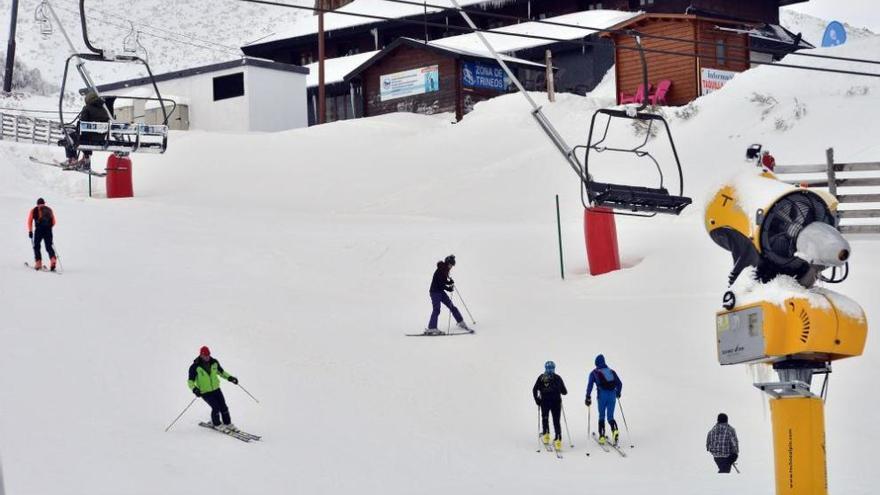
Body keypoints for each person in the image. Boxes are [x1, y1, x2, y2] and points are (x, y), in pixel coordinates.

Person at [187, 346, 239, 431]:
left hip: (216, 389)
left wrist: (230, 378)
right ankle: (217, 424)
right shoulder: (195, 366)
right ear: (201, 355)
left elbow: (221, 372)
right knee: (216, 407)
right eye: (205, 355)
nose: (207, 357)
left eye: (208, 355)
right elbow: (190, 381)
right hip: (205, 392)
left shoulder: (214, 362)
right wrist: (195, 389)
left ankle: (227, 423)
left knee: (223, 406)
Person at [63, 89, 112, 170]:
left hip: (88, 138)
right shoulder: (104, 110)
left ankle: (72, 159)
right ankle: (86, 160)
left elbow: (83, 123)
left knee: (69, 137)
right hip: (100, 138)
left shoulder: (87, 108)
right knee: (86, 137)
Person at [425, 254, 469, 335]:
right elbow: (440, 283)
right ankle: (432, 328)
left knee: (452, 306)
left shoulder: (445, 270)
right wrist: (448, 288)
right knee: (436, 309)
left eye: (452, 265)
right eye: (451, 265)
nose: (451, 267)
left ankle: (460, 321)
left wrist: (449, 282)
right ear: (447, 263)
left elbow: (443, 281)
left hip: (440, 292)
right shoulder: (440, 270)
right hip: (435, 292)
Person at [585, 354, 623, 445]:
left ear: (596, 363)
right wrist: (618, 393)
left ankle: (602, 436)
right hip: (612, 395)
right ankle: (615, 431)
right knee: (610, 416)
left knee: (602, 415)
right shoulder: (611, 371)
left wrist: (588, 396)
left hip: (602, 396)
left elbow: (590, 385)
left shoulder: (594, 372)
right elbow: (620, 383)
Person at [532, 360, 568, 451]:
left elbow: (534, 389)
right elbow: (565, 392)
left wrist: (537, 400)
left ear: (545, 368)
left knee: (545, 417)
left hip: (544, 402)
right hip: (556, 402)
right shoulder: (558, 378)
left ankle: (546, 435)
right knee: (556, 420)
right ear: (554, 368)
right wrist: (558, 390)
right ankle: (558, 439)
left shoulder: (541, 377)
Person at [26, 198, 57, 271]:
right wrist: (49, 228)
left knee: (36, 246)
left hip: (39, 230)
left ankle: (38, 262)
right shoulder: (49, 209)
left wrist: (30, 231)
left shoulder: (34, 210)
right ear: (44, 203)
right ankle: (53, 260)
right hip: (48, 230)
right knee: (49, 246)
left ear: (37, 204)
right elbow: (54, 222)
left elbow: (29, 221)